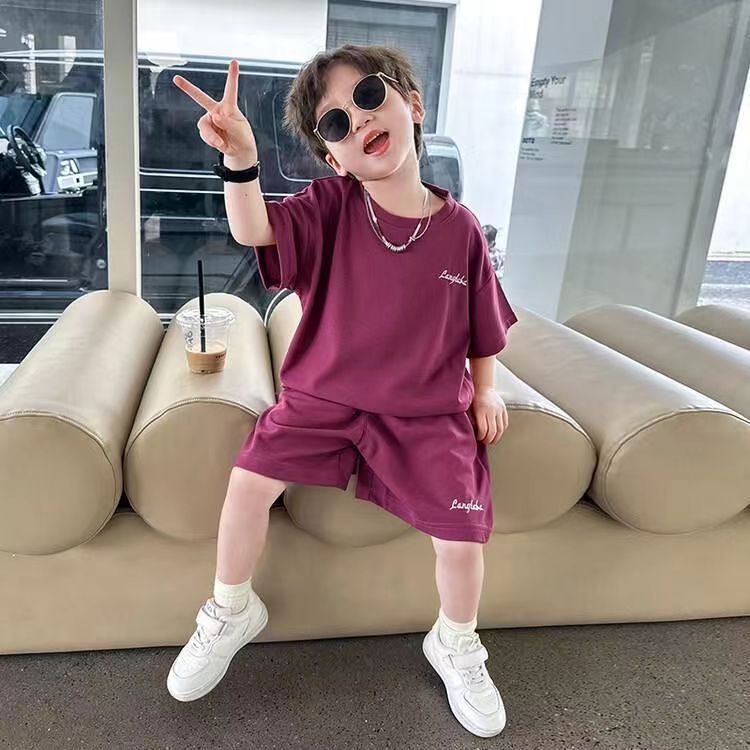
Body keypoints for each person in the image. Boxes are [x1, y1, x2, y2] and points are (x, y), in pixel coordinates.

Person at [168, 43, 518, 739]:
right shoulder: (329, 206)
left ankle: (455, 640)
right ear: (334, 159)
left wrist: (486, 390)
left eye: (368, 97)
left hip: (425, 412)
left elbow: (483, 328)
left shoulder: (462, 233)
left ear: (412, 105)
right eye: (335, 124)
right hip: (323, 400)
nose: (357, 122)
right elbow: (252, 227)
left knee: (461, 538)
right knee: (247, 484)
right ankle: (232, 607)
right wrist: (241, 158)